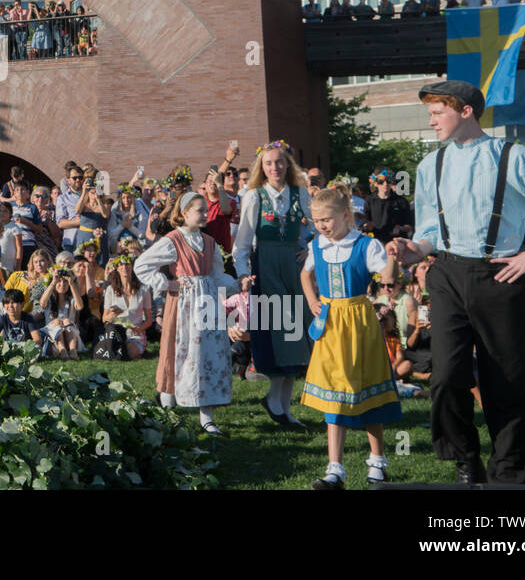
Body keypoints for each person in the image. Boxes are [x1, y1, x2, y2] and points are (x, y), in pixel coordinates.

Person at [392, 80, 525, 484]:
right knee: (446, 377)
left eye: (437, 113)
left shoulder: (514, 157)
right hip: (447, 272)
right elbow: (431, 227)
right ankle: (465, 458)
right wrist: (416, 248)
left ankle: (508, 475)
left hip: (501, 273)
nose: (431, 122)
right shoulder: (428, 165)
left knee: (508, 382)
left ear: (466, 111)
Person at [300, 188, 401, 489]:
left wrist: (392, 260)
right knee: (335, 393)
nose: (321, 225)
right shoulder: (317, 245)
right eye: (316, 220)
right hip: (331, 324)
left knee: (368, 389)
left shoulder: (364, 245)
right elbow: (305, 274)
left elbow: (386, 276)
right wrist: (312, 301)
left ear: (346, 215)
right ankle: (335, 469)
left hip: (358, 322)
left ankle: (377, 463)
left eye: (327, 219)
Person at [134, 191, 239, 433]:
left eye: (205, 210)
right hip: (183, 305)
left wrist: (236, 283)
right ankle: (168, 409)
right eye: (199, 211)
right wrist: (167, 283)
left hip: (208, 305)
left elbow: (215, 276)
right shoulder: (174, 240)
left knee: (207, 355)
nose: (204, 215)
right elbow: (142, 265)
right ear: (184, 214)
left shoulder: (209, 242)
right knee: (177, 351)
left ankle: (206, 416)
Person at [233, 140, 314, 427]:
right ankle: (276, 402)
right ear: (261, 167)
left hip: (293, 268)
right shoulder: (254, 196)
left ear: (287, 164)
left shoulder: (300, 194)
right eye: (268, 163)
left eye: (279, 162)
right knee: (278, 331)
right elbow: (242, 243)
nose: (274, 167)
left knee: (294, 334)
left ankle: (282, 407)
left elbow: (319, 228)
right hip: (266, 268)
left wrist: (311, 249)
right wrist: (243, 273)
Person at [102, 256, 153, 361]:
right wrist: (114, 314)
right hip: (117, 333)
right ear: (116, 268)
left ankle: (136, 349)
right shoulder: (110, 290)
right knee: (120, 354)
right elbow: (104, 318)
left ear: (132, 266)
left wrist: (139, 329)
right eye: (121, 264)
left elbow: (149, 320)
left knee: (130, 353)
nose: (124, 267)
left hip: (135, 334)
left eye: (127, 264)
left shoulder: (143, 290)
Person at [364, 169, 413, 243]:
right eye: (381, 181)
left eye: (388, 181)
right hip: (377, 242)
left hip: (396, 242)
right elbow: (366, 222)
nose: (385, 184)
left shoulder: (401, 201)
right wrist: (368, 227)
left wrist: (400, 228)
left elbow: (409, 226)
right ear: (375, 184)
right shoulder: (370, 200)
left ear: (391, 183)